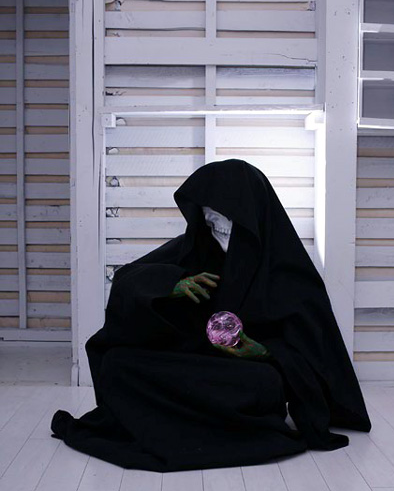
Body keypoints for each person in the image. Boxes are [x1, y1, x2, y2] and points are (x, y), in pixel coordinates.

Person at [50, 158, 371, 472]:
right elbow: (127, 280)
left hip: (245, 374)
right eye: (209, 221)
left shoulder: (288, 272)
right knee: (116, 364)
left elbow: (313, 355)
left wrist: (262, 352)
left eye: (224, 221)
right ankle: (186, 424)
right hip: (196, 360)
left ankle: (185, 422)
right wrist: (170, 285)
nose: (215, 229)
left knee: (267, 384)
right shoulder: (198, 247)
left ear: (251, 218)